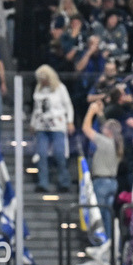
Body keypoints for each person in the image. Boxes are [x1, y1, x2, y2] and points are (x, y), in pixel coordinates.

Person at [81, 100, 124, 239]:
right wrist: (100, 114)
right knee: (107, 215)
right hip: (113, 183)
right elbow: (106, 126)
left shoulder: (104, 142)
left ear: (109, 132)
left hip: (101, 182)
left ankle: (99, 241)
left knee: (98, 214)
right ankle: (109, 243)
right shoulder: (118, 144)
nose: (102, 129)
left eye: (105, 128)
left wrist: (91, 111)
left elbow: (86, 128)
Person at [30, 64, 74, 192]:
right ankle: (43, 182)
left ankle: (63, 181)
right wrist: (33, 123)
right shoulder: (38, 89)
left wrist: (70, 121)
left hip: (57, 125)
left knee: (59, 153)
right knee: (41, 154)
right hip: (41, 126)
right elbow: (36, 109)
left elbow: (68, 105)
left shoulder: (60, 88)